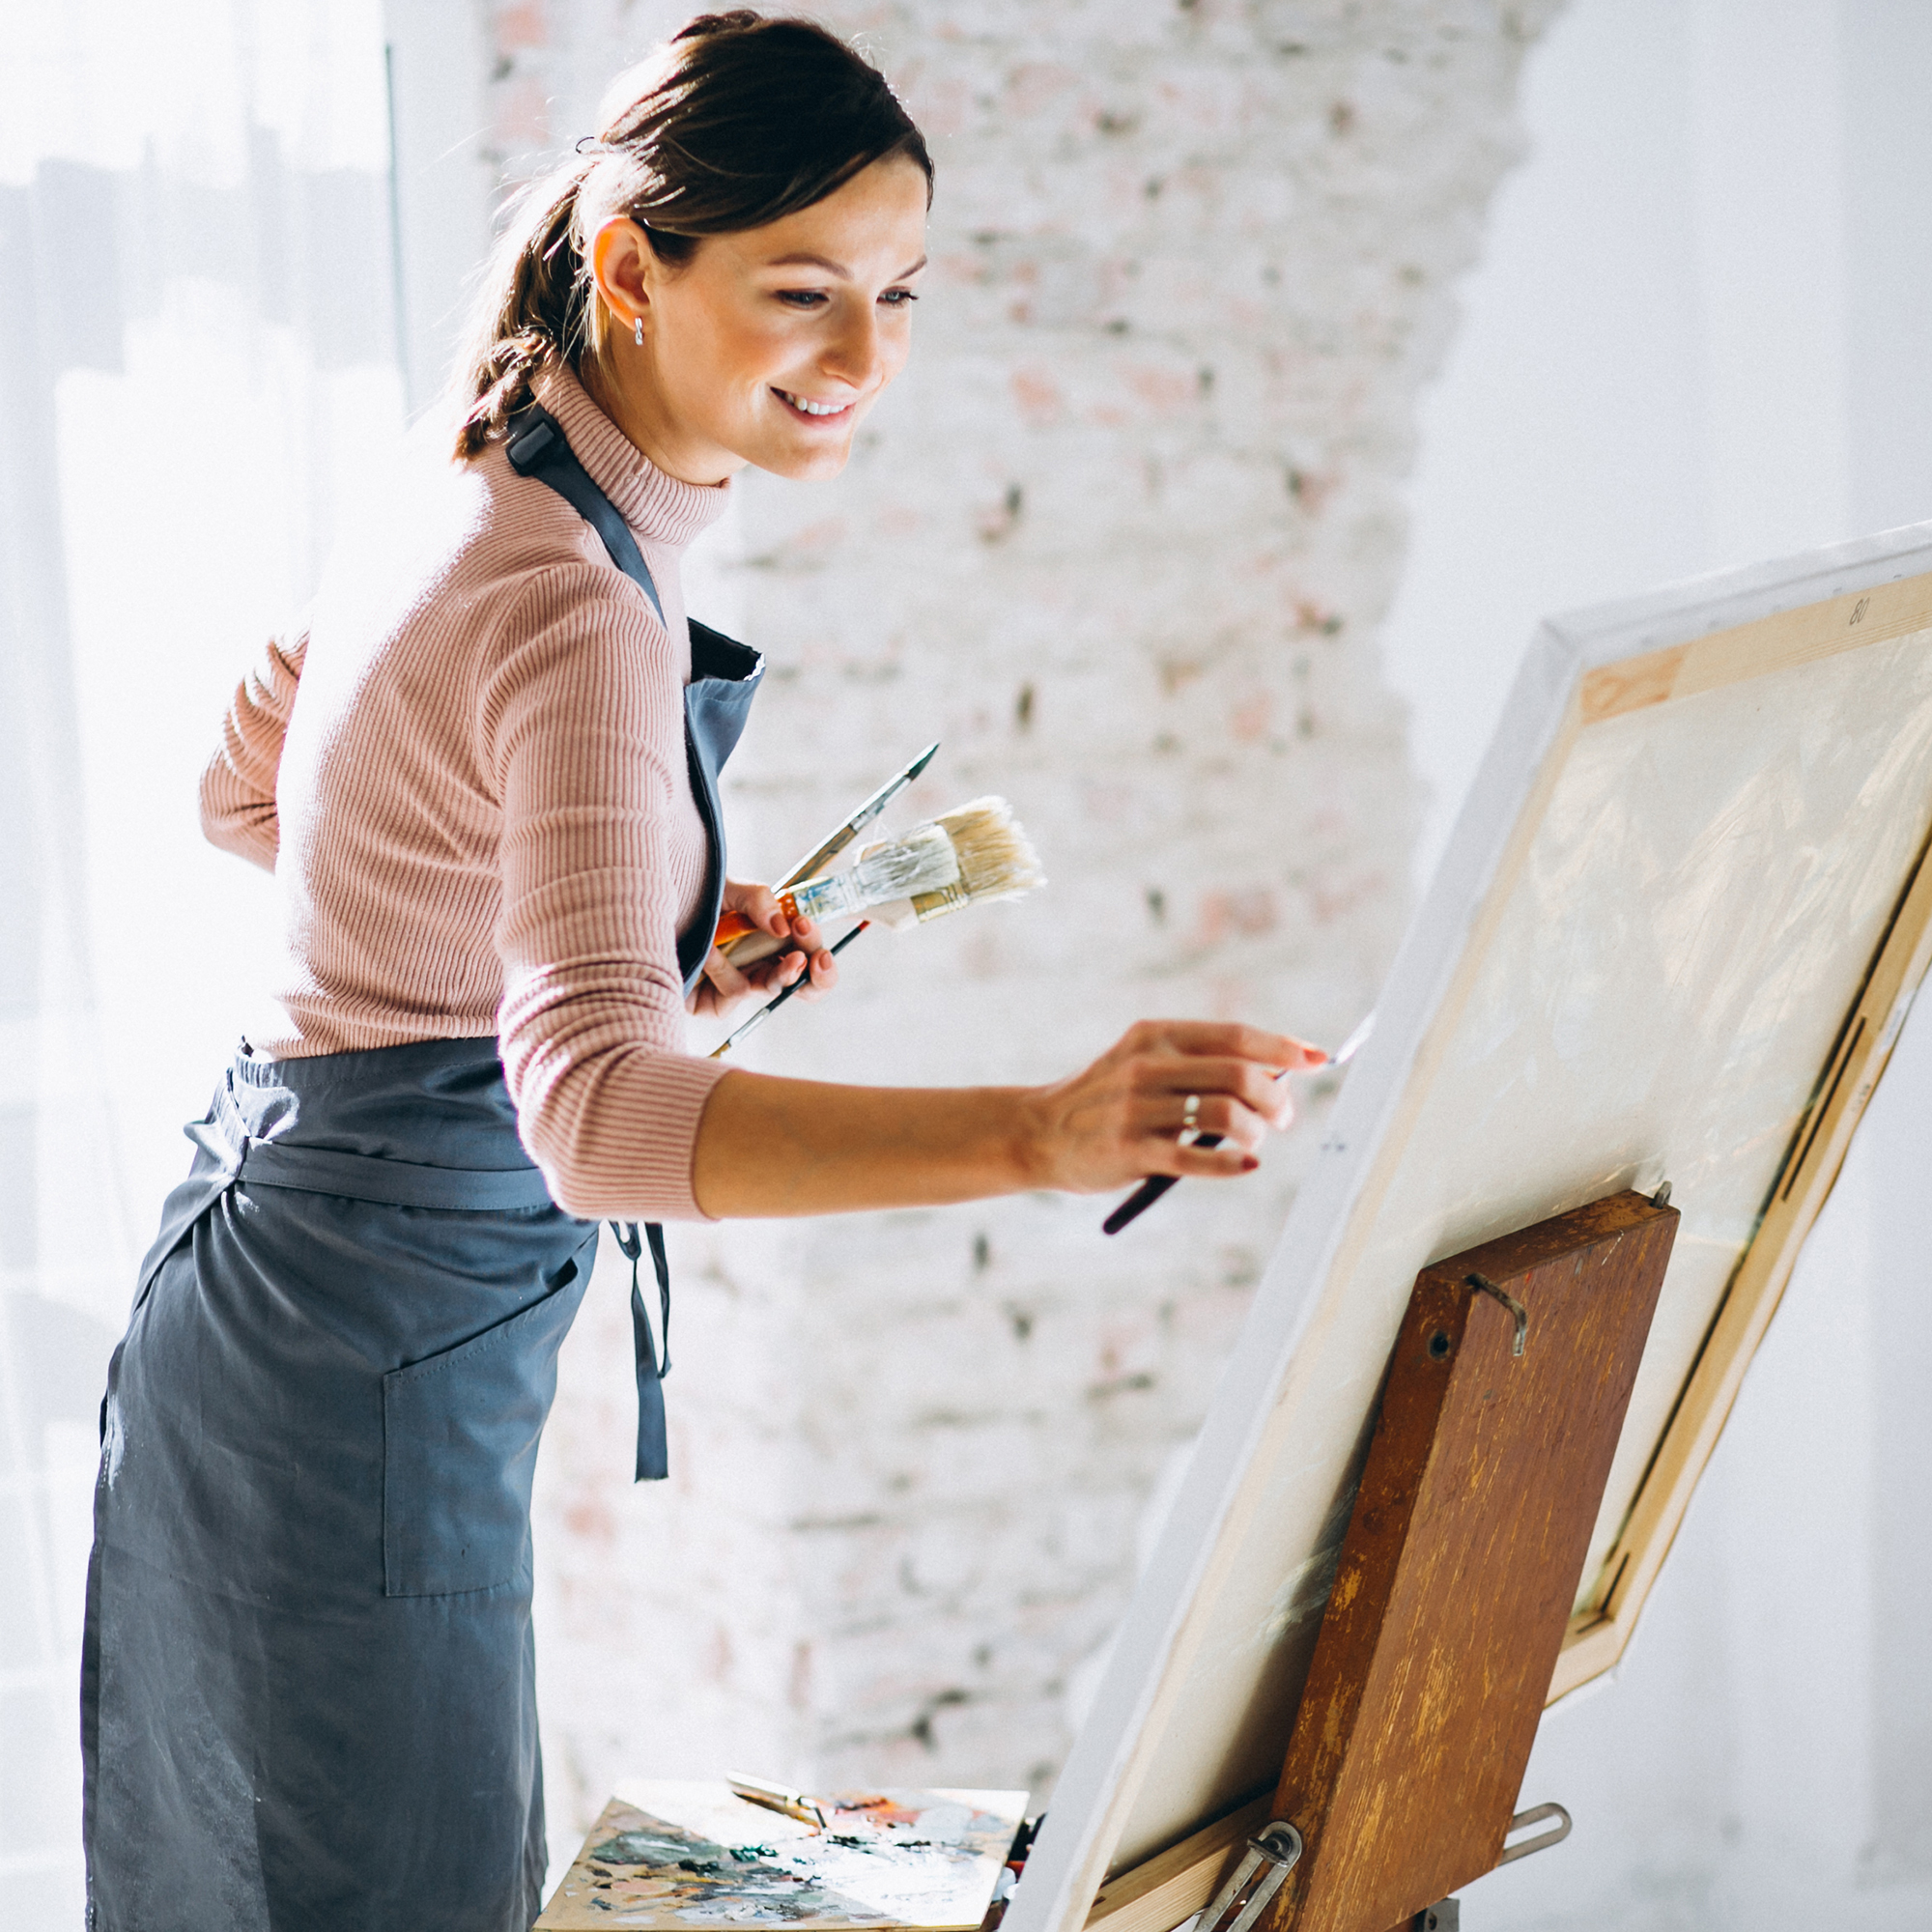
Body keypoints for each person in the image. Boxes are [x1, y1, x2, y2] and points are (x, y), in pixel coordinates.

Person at [81, 13, 1320, 1930]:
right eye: (801, 290)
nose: (864, 357)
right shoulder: (576, 605)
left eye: (898, 293)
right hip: (353, 1384)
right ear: (635, 270)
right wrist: (1046, 1129)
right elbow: (594, 1122)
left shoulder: (466, 459)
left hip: (263, 1303)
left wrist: (617, 936)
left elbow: (259, 789)